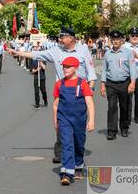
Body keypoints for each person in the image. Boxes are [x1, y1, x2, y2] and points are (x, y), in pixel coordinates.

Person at [9, 26, 97, 164]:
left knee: (78, 128)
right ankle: (60, 153)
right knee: (61, 124)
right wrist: (18, 53)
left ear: (71, 38)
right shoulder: (56, 51)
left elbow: (90, 69)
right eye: (59, 37)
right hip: (63, 91)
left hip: (80, 92)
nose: (60, 39)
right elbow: (36, 55)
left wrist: (90, 88)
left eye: (62, 37)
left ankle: (77, 153)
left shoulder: (83, 49)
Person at [53, 57, 95, 185]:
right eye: (64, 66)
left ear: (76, 68)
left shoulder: (82, 84)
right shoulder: (59, 84)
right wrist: (55, 120)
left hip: (79, 120)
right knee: (67, 143)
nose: (65, 69)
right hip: (64, 118)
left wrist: (91, 120)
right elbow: (55, 104)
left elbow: (89, 103)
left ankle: (78, 164)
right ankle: (67, 173)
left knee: (78, 143)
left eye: (68, 67)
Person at [101, 30, 137, 140]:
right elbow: (104, 70)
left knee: (124, 107)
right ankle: (112, 131)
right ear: (111, 40)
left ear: (121, 40)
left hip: (125, 83)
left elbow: (133, 69)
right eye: (113, 39)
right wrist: (102, 84)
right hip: (111, 84)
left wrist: (133, 83)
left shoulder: (128, 52)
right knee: (112, 107)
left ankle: (124, 127)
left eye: (117, 39)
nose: (115, 41)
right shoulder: (107, 53)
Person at [30, 43, 48, 109]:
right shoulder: (32, 58)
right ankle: (37, 104)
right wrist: (37, 69)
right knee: (36, 92)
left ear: (39, 47)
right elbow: (32, 71)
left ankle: (45, 100)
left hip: (42, 77)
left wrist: (40, 62)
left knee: (43, 91)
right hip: (36, 77)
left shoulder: (43, 58)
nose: (35, 48)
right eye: (34, 47)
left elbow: (44, 68)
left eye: (36, 47)